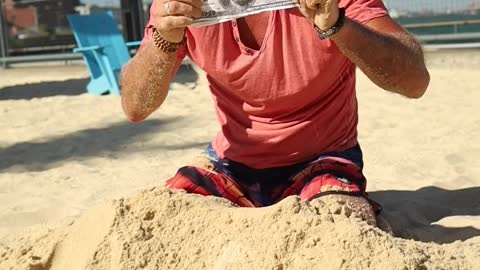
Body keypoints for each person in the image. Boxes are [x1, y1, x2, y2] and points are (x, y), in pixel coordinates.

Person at [120, 0, 430, 225]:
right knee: (157, 221)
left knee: (342, 225)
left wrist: (338, 25)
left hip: (323, 160)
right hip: (231, 165)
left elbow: (415, 80)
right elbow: (135, 106)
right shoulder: (186, 5)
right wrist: (164, 37)